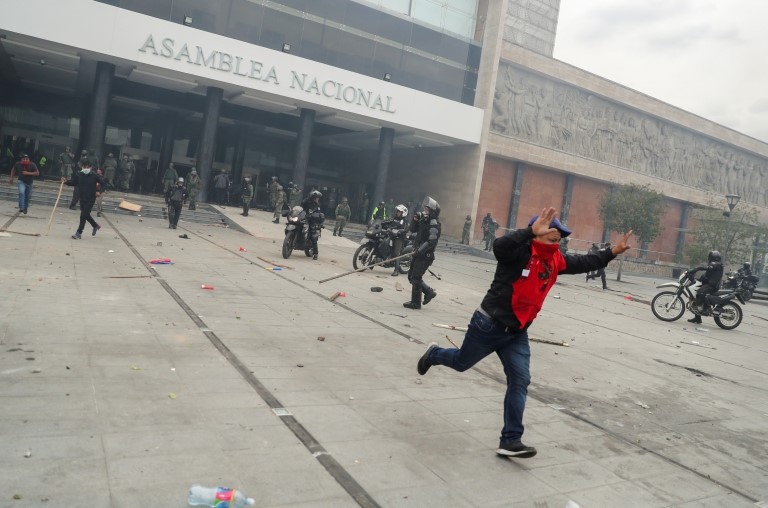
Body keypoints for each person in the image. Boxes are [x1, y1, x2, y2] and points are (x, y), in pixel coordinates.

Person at [416, 208, 633, 458]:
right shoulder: (518, 253)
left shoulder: (556, 260)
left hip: (517, 333)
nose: (557, 241)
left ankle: (510, 440)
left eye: (559, 238)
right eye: (551, 236)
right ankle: (434, 354)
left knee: (520, 381)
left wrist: (612, 252)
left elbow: (584, 263)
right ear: (536, 234)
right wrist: (528, 232)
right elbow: (500, 246)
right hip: (489, 325)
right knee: (461, 362)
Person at [403, 197, 440, 309]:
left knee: (416, 277)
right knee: (411, 276)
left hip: (425, 256)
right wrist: (415, 220)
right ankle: (428, 293)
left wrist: (419, 251)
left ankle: (416, 302)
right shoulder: (424, 221)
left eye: (427, 210)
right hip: (418, 253)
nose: (424, 211)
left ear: (432, 212)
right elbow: (412, 230)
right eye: (425, 209)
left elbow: (431, 241)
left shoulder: (434, 224)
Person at [62, 158, 105, 239]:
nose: (86, 169)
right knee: (86, 215)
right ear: (82, 167)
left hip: (91, 199)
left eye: (88, 167)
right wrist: (66, 181)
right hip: (82, 198)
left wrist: (99, 191)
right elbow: (73, 182)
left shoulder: (94, 176)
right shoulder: (79, 175)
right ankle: (95, 225)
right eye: (84, 167)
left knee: (83, 216)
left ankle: (79, 233)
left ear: (91, 167)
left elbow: (103, 184)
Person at [687, 250, 724, 324]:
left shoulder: (717, 264)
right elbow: (707, 275)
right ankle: (697, 318)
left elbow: (709, 267)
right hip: (708, 284)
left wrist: (697, 268)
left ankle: (707, 308)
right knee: (695, 296)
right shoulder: (714, 264)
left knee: (700, 292)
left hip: (712, 286)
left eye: (710, 257)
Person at [385, 204, 409, 276]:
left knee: (396, 253)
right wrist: (382, 223)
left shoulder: (404, 221)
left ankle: (396, 270)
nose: (397, 212)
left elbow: (404, 229)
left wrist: (398, 231)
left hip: (399, 238)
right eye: (397, 211)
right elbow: (389, 222)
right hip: (392, 236)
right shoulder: (395, 218)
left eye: (399, 212)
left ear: (403, 213)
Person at [301, 189, 325, 260]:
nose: (317, 199)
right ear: (312, 197)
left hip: (312, 220)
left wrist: (315, 216)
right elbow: (301, 206)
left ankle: (315, 253)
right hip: (304, 218)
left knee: (313, 236)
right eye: (316, 198)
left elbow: (319, 213)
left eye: (318, 198)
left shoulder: (317, 205)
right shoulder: (306, 201)